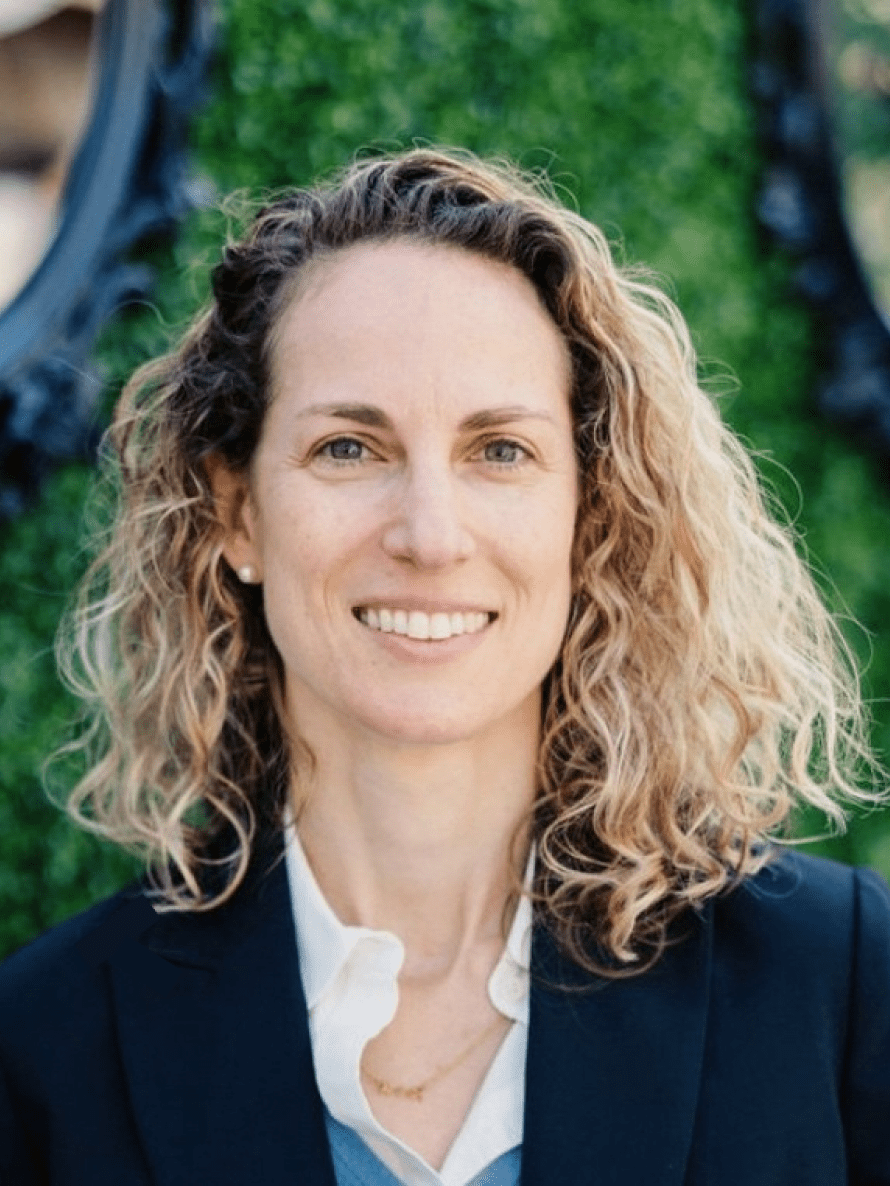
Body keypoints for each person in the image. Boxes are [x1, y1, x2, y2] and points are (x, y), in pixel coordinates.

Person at [1, 146, 889, 1186]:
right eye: (349, 448)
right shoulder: (47, 1049)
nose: (429, 534)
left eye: (498, 451)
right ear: (236, 511)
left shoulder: (836, 982)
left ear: (586, 510)